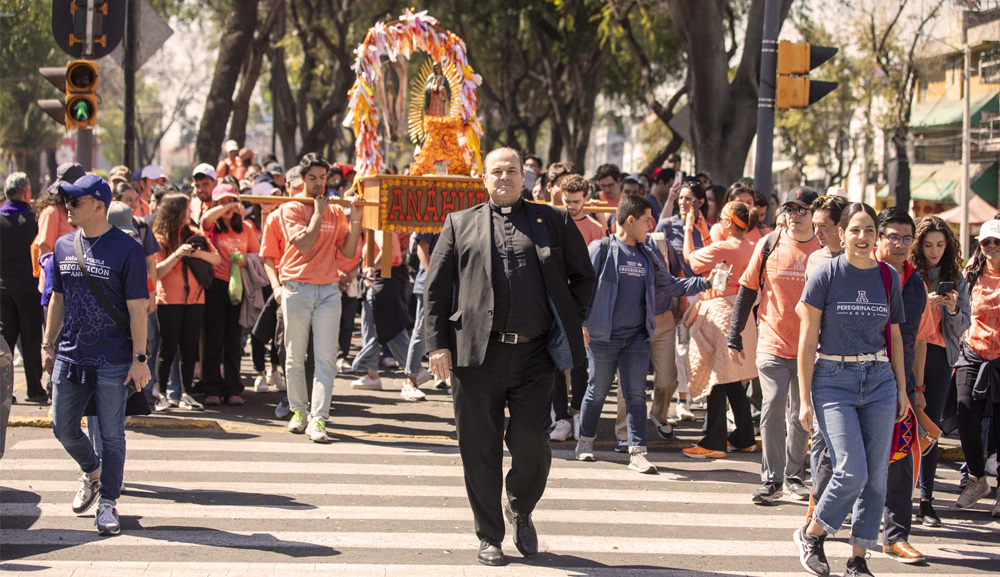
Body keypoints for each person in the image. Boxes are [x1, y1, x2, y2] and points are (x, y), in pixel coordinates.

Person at [424, 147, 595, 566]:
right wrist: (437, 344)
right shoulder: (459, 223)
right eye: (497, 171)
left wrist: (570, 321)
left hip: (536, 357)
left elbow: (584, 277)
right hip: (475, 359)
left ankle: (520, 507)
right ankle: (489, 536)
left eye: (512, 171)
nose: (505, 177)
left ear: (525, 177)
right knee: (479, 449)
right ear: (484, 179)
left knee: (533, 443)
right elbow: (435, 290)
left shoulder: (553, 221)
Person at [794, 202, 908, 577]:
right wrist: (805, 398)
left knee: (877, 476)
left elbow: (894, 336)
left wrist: (903, 391)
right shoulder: (826, 275)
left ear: (877, 236)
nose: (863, 237)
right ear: (841, 234)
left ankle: (858, 559)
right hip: (833, 380)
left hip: (879, 380)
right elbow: (808, 341)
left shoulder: (888, 277)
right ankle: (813, 534)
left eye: (869, 230)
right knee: (852, 469)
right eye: (855, 230)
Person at [42, 174, 151, 536]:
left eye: (75, 202)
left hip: (113, 360)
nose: (68, 207)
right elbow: (56, 299)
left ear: (99, 206)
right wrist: (48, 344)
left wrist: (140, 359)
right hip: (70, 356)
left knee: (111, 435)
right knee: (62, 427)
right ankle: (92, 472)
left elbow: (138, 308)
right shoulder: (61, 246)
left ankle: (108, 503)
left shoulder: (127, 249)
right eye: (67, 202)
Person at [575, 195, 706, 472]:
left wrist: (706, 282)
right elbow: (579, 286)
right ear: (631, 220)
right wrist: (580, 322)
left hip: (637, 337)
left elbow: (670, 284)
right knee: (597, 391)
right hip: (603, 337)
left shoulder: (647, 252)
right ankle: (585, 442)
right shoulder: (601, 248)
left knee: (635, 394)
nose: (651, 225)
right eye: (647, 220)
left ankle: (637, 452)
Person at [260, 153, 363, 443]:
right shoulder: (291, 208)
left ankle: (319, 418)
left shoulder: (333, 210)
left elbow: (347, 250)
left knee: (326, 359)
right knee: (294, 357)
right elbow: (304, 245)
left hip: (329, 289)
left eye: (323, 178)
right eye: (312, 178)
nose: (319, 184)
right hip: (297, 288)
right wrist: (317, 213)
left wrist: (354, 219)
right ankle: (298, 411)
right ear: (302, 179)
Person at [729, 186, 821, 505]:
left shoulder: (825, 249)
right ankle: (771, 479)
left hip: (811, 348)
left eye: (802, 210)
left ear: (814, 214)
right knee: (772, 406)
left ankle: (795, 476)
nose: (795, 215)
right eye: (790, 209)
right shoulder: (769, 244)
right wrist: (734, 333)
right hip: (772, 340)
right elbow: (747, 290)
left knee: (799, 413)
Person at [681, 201, 758, 458]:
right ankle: (745, 436)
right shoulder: (753, 245)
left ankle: (714, 441)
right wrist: (705, 232)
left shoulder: (726, 247)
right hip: (743, 314)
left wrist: (687, 229)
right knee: (732, 378)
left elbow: (691, 261)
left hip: (723, 311)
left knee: (717, 376)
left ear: (727, 222)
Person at [873, 207, 927, 564]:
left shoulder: (916, 281)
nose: (900, 244)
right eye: (892, 236)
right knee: (838, 456)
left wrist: (915, 388)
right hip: (854, 378)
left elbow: (915, 340)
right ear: (878, 237)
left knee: (900, 459)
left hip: (899, 383)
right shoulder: (859, 273)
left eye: (906, 238)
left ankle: (895, 536)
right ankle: (819, 520)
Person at [909, 215, 971, 525]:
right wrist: (926, 303)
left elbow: (963, 326)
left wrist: (952, 307)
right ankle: (899, 495)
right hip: (910, 353)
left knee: (930, 430)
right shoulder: (909, 273)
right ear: (919, 245)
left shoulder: (956, 276)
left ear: (948, 245)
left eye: (941, 244)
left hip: (940, 355)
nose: (935, 251)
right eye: (929, 245)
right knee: (901, 425)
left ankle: (926, 500)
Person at [153, 194, 221, 411]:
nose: (190, 214)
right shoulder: (159, 237)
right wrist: (177, 254)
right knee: (167, 349)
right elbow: (158, 272)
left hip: (195, 299)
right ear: (175, 212)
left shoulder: (195, 234)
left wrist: (197, 253)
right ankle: (161, 394)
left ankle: (185, 393)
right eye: (186, 211)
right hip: (169, 301)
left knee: (189, 350)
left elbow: (216, 259)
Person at [953, 219, 1000, 516]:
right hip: (973, 351)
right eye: (987, 243)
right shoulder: (971, 272)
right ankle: (977, 479)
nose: (993, 247)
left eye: (998, 241)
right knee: (965, 412)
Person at [198, 183, 260, 405]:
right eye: (222, 202)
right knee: (214, 339)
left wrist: (244, 261)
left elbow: (256, 255)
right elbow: (204, 220)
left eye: (231, 201)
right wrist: (229, 204)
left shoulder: (246, 228)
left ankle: (233, 388)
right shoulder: (211, 227)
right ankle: (212, 387)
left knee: (234, 339)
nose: (228, 208)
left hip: (238, 287)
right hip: (214, 287)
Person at [1, 173, 45, 402]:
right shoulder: (33, 221)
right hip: (29, 288)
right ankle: (35, 389)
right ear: (27, 193)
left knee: (5, 340)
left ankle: (3, 390)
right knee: (31, 339)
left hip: (2, 289)